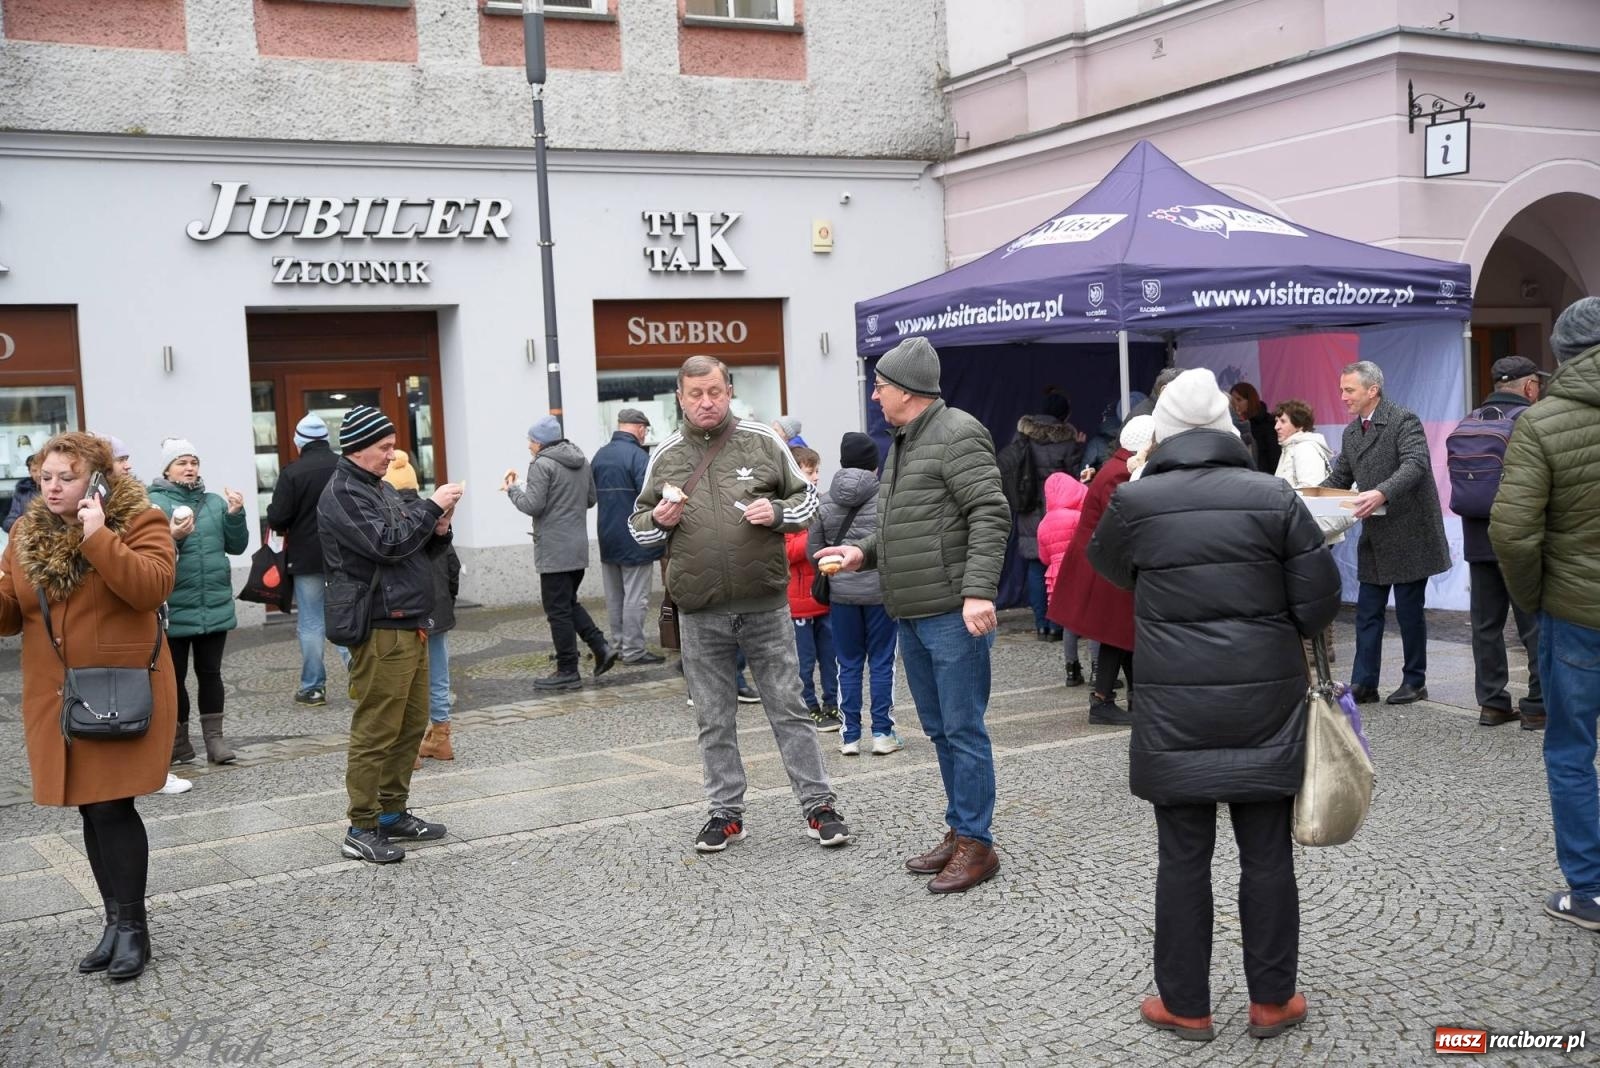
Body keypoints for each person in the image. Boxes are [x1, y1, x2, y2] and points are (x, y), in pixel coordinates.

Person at [1088, 367, 1341, 1043]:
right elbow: (1319, 604)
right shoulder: (1273, 497)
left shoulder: (1137, 502)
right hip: (1266, 702)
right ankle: (1272, 1001)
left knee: (1182, 857)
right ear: (1229, 429)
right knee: (1267, 854)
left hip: (1174, 705)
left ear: (1165, 431)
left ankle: (1186, 1005)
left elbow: (1109, 567)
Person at [630, 355, 850, 854]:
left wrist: (778, 511)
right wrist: (659, 521)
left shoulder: (763, 441)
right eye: (695, 394)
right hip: (700, 609)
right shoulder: (664, 455)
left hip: (765, 604)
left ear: (729, 391)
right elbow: (637, 530)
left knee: (788, 709)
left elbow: (809, 501)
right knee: (713, 718)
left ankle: (819, 806)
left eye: (715, 392)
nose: (706, 402)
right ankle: (726, 813)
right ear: (680, 398)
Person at [817, 337, 1010, 893]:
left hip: (951, 611)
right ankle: (961, 828)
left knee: (963, 729)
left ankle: (977, 844)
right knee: (940, 730)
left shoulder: (958, 433)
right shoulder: (906, 440)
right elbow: (904, 524)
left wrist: (979, 592)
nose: (874, 395)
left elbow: (990, 512)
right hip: (914, 610)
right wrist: (862, 552)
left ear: (907, 390)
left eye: (880, 385)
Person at [0, 432, 178, 980]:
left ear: (98, 480)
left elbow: (152, 588)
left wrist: (98, 536)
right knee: (90, 807)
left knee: (111, 807)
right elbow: (11, 615)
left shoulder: (139, 520)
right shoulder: (25, 531)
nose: (52, 487)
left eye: (67, 477)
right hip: (56, 695)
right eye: (45, 476)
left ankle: (134, 930)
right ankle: (114, 922)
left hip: (116, 690)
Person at [1491, 296, 1600, 931]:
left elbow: (1512, 533)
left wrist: (1533, 598)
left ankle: (1590, 892)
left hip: (1575, 612)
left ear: (1560, 355)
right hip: (1573, 608)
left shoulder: (1542, 422)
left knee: (1571, 749)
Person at [319, 405, 463, 864]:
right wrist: (430, 506)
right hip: (379, 623)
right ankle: (361, 827)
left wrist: (439, 529)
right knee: (377, 729)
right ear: (358, 447)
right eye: (384, 447)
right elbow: (387, 545)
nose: (392, 454)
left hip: (409, 619)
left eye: (392, 446)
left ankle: (391, 813)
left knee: (410, 724)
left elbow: (411, 544)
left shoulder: (378, 487)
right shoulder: (342, 493)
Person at [1320, 360, 1451, 705]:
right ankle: (1364, 683)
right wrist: (1307, 498)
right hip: (1376, 535)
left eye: (1349, 390)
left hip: (1410, 532)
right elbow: (1339, 478)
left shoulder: (1403, 420)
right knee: (1367, 612)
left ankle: (1415, 681)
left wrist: (1381, 492)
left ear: (1372, 390)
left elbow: (1415, 464)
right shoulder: (1352, 433)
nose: (1343, 396)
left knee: (1409, 612)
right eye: (1341, 390)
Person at [1453, 357, 1545, 729]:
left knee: (1486, 625)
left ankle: (1492, 704)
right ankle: (1537, 706)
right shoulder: (1532, 421)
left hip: (1478, 538)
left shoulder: (1471, 419)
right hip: (1522, 540)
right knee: (1533, 625)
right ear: (1529, 387)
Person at [148, 438, 248, 766]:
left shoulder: (215, 502)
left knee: (210, 673)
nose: (189, 468)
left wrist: (235, 514)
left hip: (214, 603)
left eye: (193, 462)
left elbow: (236, 546)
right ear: (167, 469)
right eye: (181, 462)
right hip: (174, 606)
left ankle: (215, 741)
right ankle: (179, 742)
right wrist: (173, 536)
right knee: (174, 678)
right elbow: (149, 553)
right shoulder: (152, 504)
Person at [1050, 415, 1156, 725]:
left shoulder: (1118, 467)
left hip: (1105, 561)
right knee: (1115, 631)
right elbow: (1122, 522)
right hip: (1105, 564)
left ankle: (1133, 698)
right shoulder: (1120, 473)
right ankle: (1102, 701)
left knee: (1123, 631)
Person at [505, 417, 615, 690]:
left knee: (557, 611)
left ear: (540, 442)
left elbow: (532, 505)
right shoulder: (581, 460)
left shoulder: (542, 464)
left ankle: (568, 669)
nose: (529, 446)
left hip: (554, 549)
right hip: (576, 546)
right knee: (567, 603)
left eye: (531, 441)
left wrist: (512, 490)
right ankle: (600, 646)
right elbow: (591, 499)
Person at [809, 432, 899, 756]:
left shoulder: (823, 500)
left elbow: (813, 553)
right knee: (882, 662)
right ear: (875, 465)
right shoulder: (888, 498)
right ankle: (882, 733)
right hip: (880, 594)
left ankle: (850, 736)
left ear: (843, 462)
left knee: (847, 663)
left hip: (842, 596)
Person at [385, 450, 462, 767]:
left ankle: (409, 748)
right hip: (437, 609)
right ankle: (441, 737)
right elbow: (452, 567)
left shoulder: (393, 521)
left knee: (404, 678)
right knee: (438, 675)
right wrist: (448, 602)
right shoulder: (433, 515)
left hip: (407, 612)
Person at [267, 412, 343, 706]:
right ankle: (360, 679)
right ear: (325, 439)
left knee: (311, 622)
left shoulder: (292, 473)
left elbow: (278, 518)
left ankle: (313, 688)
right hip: (344, 556)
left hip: (306, 558)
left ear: (299, 442)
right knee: (346, 615)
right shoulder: (344, 467)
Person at [1271, 398, 1350, 663]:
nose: (1276, 426)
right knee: (1312, 589)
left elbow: (1309, 492)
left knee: (1308, 591)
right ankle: (1319, 649)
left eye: (1282, 421)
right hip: (1303, 532)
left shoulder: (1304, 449)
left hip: (1306, 533)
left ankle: (1314, 650)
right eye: (1276, 420)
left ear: (1299, 424)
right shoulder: (1294, 447)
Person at [999, 391, 1082, 641]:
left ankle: (1041, 626)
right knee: (1059, 568)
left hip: (1028, 507)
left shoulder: (1023, 436)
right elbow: (1075, 476)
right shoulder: (1067, 441)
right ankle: (1057, 626)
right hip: (1059, 509)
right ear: (1064, 415)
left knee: (1035, 568)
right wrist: (1079, 446)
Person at [592, 409, 666, 666]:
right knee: (636, 597)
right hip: (635, 537)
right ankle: (633, 649)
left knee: (615, 597)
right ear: (640, 429)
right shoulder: (639, 457)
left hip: (607, 535)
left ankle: (618, 646)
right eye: (645, 430)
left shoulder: (600, 455)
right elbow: (651, 497)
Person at [784, 446, 840, 729]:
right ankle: (809, 706)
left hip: (823, 597)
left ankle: (832, 704)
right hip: (798, 605)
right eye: (810, 472)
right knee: (803, 662)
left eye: (817, 471)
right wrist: (816, 537)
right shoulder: (785, 509)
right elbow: (787, 552)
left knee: (830, 658)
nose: (817, 477)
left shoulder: (821, 504)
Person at [1035, 471, 1089, 686]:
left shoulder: (1043, 523)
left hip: (1057, 577)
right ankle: (1098, 671)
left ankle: (1072, 671)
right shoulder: (1077, 517)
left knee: (1069, 624)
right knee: (1092, 619)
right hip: (1080, 571)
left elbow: (1043, 557)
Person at [1230, 381, 1280, 474]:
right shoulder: (1231, 425)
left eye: (1239, 400)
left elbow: (1274, 455)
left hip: (1265, 476)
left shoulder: (1267, 423)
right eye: (1232, 401)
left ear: (1250, 401)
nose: (1235, 404)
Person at [3, 453, 40, 533]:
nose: (38, 474)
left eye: (41, 470)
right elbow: (13, 516)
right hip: (26, 532)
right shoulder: (22, 490)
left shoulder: (53, 489)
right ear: (30, 472)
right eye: (34, 470)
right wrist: (11, 525)